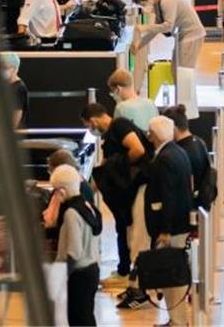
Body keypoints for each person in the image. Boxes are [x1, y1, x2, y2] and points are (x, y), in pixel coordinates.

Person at [82, 102, 150, 305]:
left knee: (133, 232)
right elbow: (106, 165)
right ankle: (124, 269)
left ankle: (132, 276)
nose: (90, 129)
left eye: (88, 125)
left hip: (138, 185)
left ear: (93, 120)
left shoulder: (119, 126)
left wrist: (117, 168)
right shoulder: (110, 134)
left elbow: (137, 149)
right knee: (122, 227)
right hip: (126, 191)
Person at [143, 116, 195, 326]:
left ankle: (178, 321)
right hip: (179, 222)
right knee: (172, 274)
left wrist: (165, 229)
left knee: (171, 276)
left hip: (172, 227)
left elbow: (168, 195)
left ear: (153, 136)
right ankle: (176, 320)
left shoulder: (165, 158)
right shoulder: (177, 152)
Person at [132, 0, 205, 118]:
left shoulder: (167, 1)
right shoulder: (158, 4)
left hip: (191, 36)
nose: (144, 8)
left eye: (143, 4)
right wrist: (139, 45)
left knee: (183, 73)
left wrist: (144, 27)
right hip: (183, 37)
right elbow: (155, 30)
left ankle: (187, 111)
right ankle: (181, 106)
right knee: (175, 70)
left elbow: (168, 26)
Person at [50, 163, 103, 327]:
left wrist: (60, 276)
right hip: (92, 269)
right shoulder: (88, 206)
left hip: (79, 274)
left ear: (63, 190)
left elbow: (74, 251)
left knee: (77, 319)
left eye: (56, 191)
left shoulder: (71, 213)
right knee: (87, 317)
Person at [164, 104, 215, 216]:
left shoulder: (180, 152)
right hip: (202, 203)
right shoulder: (199, 142)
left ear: (174, 128)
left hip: (189, 209)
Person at [0, 52, 28, 128]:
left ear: (15, 69)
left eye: (5, 67)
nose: (2, 70)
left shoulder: (18, 88)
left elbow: (17, 114)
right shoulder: (6, 85)